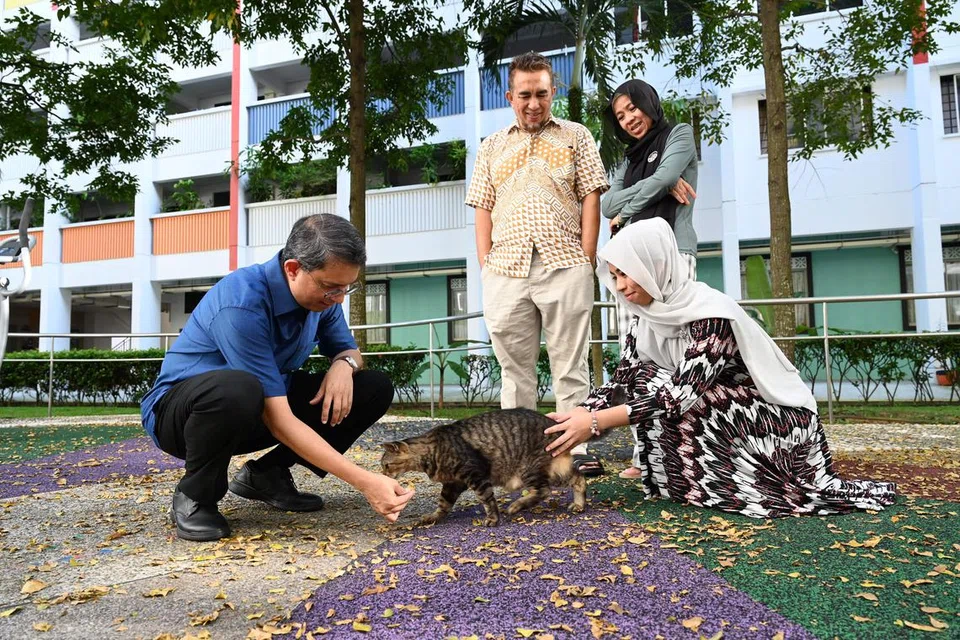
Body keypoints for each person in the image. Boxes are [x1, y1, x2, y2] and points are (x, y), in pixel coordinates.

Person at [544, 219, 897, 518]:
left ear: (654, 266)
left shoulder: (711, 313)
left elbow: (677, 397)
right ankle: (686, 482)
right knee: (644, 378)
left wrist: (595, 423)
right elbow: (623, 381)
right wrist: (575, 416)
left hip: (778, 419)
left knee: (674, 392)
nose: (620, 286)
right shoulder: (644, 319)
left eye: (627, 274)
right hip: (724, 407)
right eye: (614, 276)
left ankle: (737, 483)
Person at [140, 214, 415, 541]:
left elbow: (350, 352)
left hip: (255, 406)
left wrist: (343, 366)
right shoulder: (242, 302)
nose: (339, 299)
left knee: (372, 388)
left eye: (347, 288)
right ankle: (195, 495)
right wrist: (366, 482)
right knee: (238, 388)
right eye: (332, 288)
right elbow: (279, 419)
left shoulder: (323, 298)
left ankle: (268, 475)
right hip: (183, 416)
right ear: (293, 268)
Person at [466, 51, 609, 477]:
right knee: (514, 371)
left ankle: (574, 453)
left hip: (566, 263)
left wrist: (586, 257)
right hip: (505, 269)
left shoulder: (576, 136)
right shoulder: (491, 146)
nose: (534, 103)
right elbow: (482, 207)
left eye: (542, 94)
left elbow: (591, 195)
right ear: (510, 96)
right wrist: (485, 264)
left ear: (553, 92)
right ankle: (519, 457)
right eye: (525, 94)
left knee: (570, 364)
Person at [602, 79, 699, 480]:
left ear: (649, 103)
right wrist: (658, 182)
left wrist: (628, 207)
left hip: (673, 253)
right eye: (621, 116)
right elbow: (606, 202)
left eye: (633, 108)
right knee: (636, 355)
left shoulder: (679, 134)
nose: (629, 119)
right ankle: (645, 456)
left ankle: (686, 454)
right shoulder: (628, 158)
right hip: (631, 263)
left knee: (679, 352)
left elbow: (635, 195)